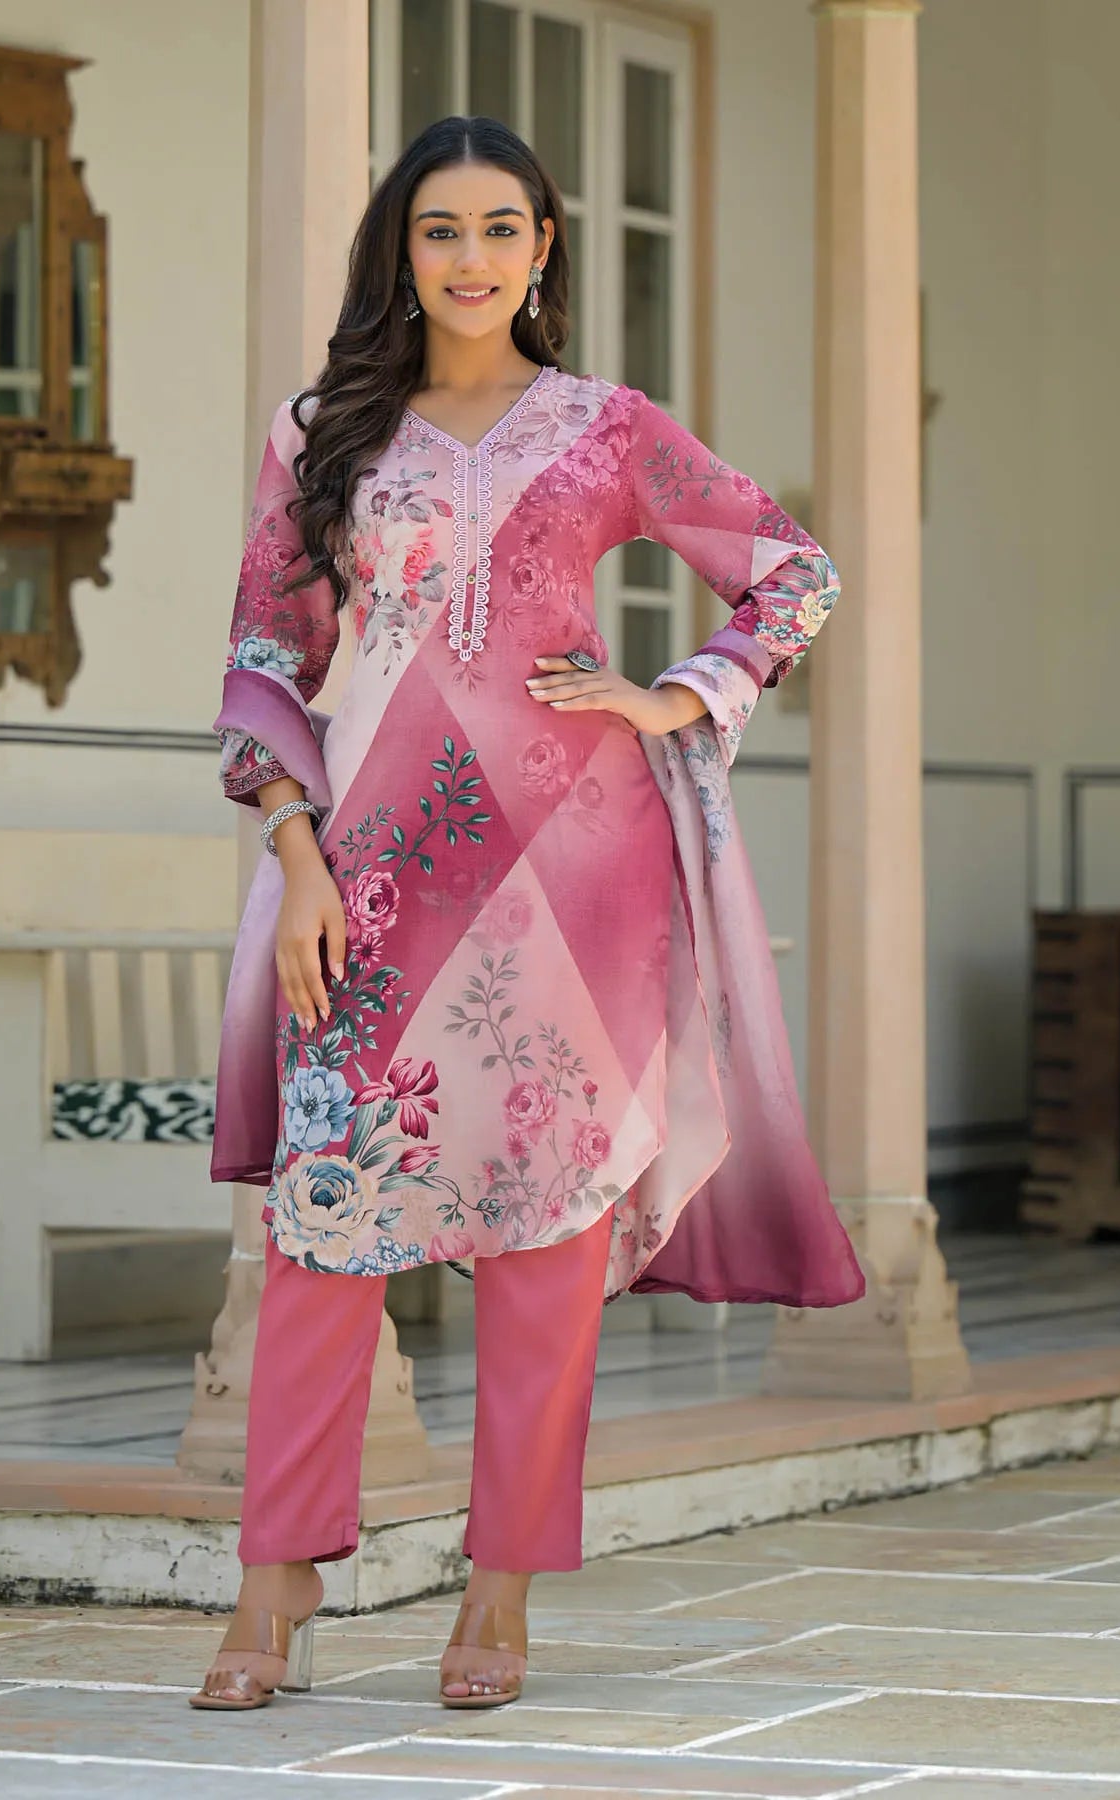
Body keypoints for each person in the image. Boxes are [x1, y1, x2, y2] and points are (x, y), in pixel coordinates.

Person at [192, 115, 864, 1714]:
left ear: (545, 248)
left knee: (547, 1245)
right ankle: (272, 1593)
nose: (472, 259)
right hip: (368, 877)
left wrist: (671, 694)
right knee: (324, 1230)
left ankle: (496, 1603)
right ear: (400, 250)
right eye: (440, 231)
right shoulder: (327, 431)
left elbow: (797, 572)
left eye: (502, 229)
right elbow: (259, 662)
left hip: (581, 874)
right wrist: (294, 857)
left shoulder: (607, 427)